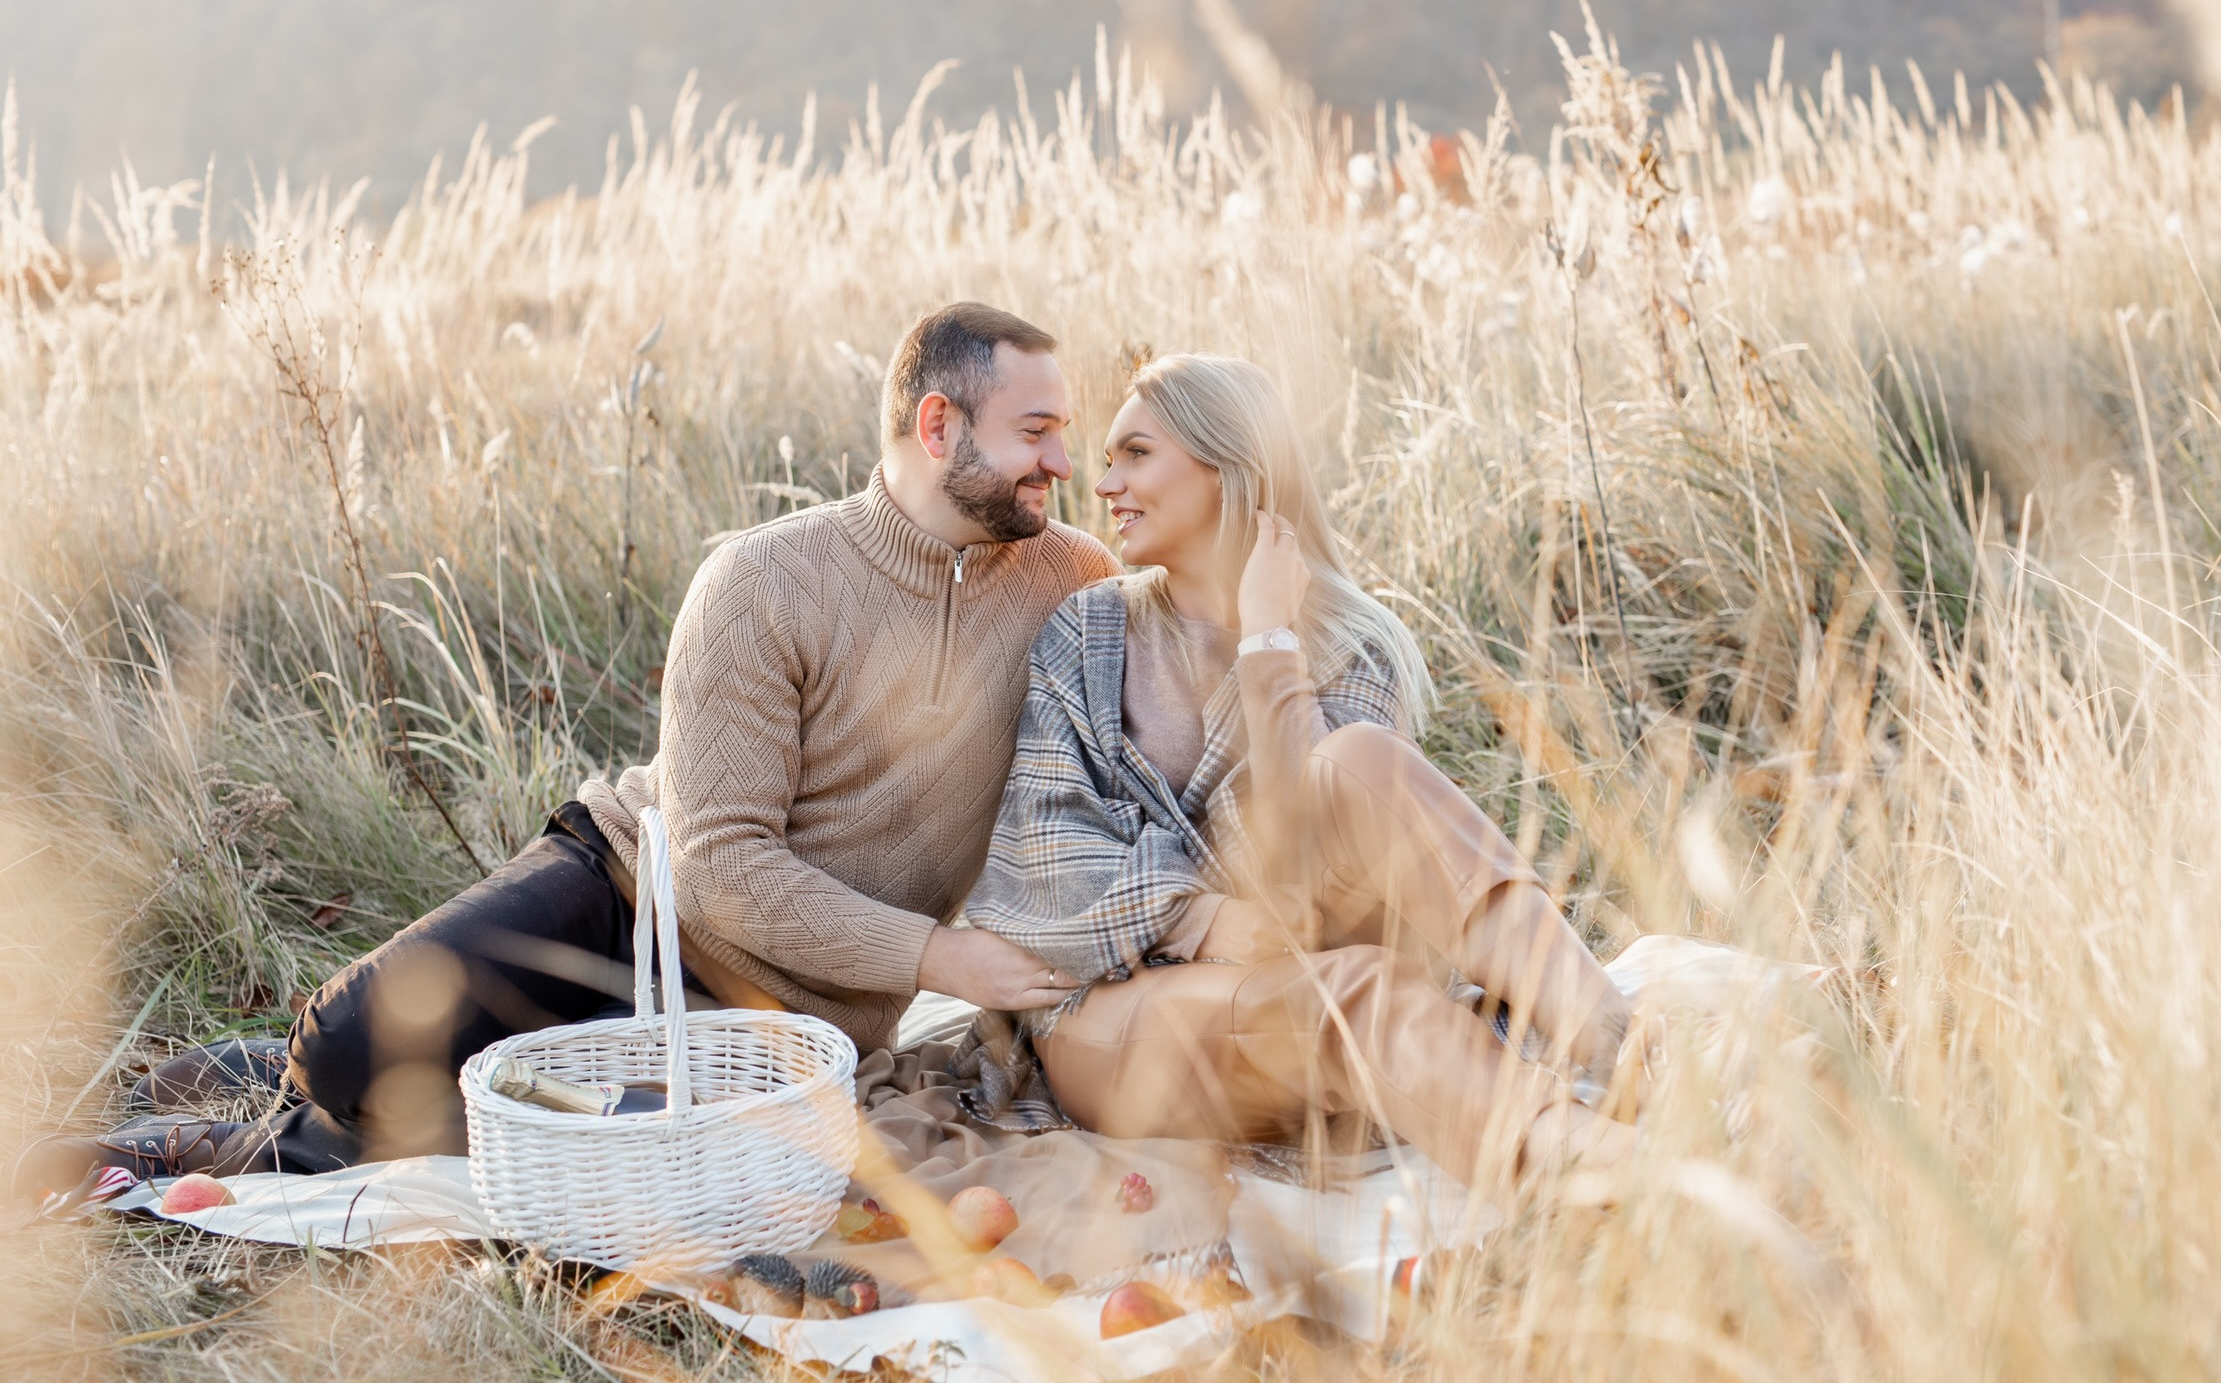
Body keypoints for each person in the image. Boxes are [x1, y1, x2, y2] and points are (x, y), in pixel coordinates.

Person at [12, 302, 1117, 1198]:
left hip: (788, 1010)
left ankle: (222, 1145)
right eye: (1036, 432)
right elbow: (723, 865)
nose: (1061, 461)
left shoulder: (1071, 580)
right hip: (624, 886)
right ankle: (279, 1069)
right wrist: (938, 957)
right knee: (347, 1048)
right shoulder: (767, 580)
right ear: (939, 426)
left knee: (605, 1145)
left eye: (1064, 432)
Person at [965, 353, 1637, 1188]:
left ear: (1231, 467)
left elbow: (1299, 873)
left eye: (1135, 454)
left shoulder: (1346, 641)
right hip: (1119, 1018)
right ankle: (1599, 1169)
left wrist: (1269, 643)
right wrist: (1200, 921)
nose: (1104, 485)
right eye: (1109, 458)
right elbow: (1046, 854)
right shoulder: (1089, 631)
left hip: (1306, 978)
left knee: (1355, 767)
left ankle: (1624, 1051)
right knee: (1351, 997)